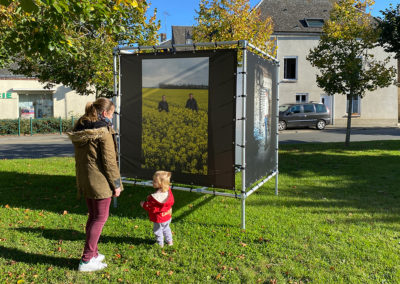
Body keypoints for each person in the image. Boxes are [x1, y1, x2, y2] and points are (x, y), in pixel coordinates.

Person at [68, 98, 123, 272]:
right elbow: (109, 161)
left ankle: (93, 254)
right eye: (112, 113)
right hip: (100, 181)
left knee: (93, 216)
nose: (112, 117)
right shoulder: (103, 131)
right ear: (105, 113)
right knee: (99, 219)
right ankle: (86, 260)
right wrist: (117, 184)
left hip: (86, 178)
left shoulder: (82, 126)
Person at [140, 171, 174, 247]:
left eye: (154, 181)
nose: (152, 182)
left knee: (158, 231)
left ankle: (160, 244)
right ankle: (170, 242)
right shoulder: (168, 191)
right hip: (167, 216)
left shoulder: (155, 197)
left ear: (160, 184)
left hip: (159, 219)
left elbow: (151, 208)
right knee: (166, 228)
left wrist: (144, 204)